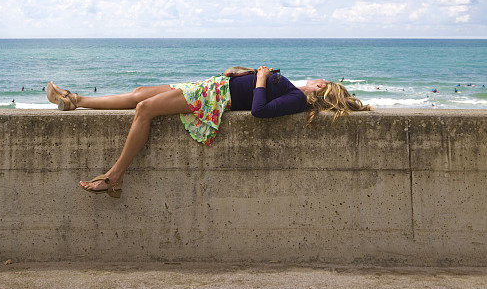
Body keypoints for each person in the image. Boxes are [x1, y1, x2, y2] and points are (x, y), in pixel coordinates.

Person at [46, 68, 371, 198]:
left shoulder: (298, 98)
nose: (316, 78)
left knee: (144, 110)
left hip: (215, 98)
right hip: (215, 86)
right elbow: (251, 87)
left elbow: (258, 110)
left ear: (322, 89)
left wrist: (259, 78)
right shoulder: (292, 89)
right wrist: (243, 72)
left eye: (321, 81)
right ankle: (75, 100)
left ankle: (114, 176)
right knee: (141, 92)